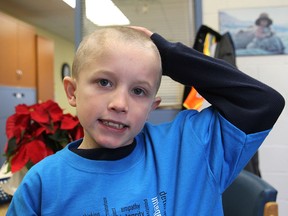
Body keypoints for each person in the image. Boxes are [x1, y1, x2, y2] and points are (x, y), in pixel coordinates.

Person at [7, 26, 285, 215]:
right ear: (72, 91)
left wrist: (168, 55)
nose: (119, 104)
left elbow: (262, 102)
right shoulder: (42, 184)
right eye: (104, 82)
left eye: (138, 91)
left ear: (152, 106)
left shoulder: (190, 148)